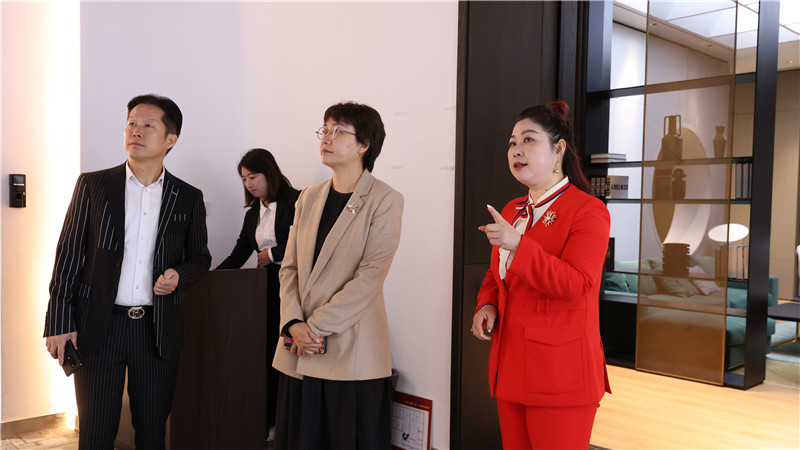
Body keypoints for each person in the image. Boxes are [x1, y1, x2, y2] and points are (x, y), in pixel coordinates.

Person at [44, 94, 211, 450]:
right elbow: (68, 256)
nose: (136, 131)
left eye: (148, 125)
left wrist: (179, 275)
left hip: (156, 330)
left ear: (170, 139)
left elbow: (200, 258)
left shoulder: (187, 197)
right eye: (132, 123)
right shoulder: (93, 185)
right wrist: (59, 322)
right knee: (95, 433)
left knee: (152, 433)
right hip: (98, 327)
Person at [472, 101, 611, 449]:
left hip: (559, 373)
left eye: (529, 140)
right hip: (511, 366)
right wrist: (486, 304)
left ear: (558, 149)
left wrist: (518, 245)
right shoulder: (513, 209)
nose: (517, 150)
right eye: (512, 143)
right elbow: (497, 275)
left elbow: (577, 285)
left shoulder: (588, 210)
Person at [272, 101, 403, 450]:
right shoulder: (308, 197)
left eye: (339, 131)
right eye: (325, 129)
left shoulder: (384, 199)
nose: (327, 137)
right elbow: (289, 268)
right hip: (299, 348)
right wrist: (293, 323)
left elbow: (371, 276)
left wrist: (313, 328)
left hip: (349, 350)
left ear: (364, 145)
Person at [215, 147, 299, 433]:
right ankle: (266, 419)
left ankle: (284, 420)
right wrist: (209, 277)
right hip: (263, 288)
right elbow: (239, 253)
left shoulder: (297, 201)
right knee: (265, 352)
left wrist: (272, 254)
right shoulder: (253, 213)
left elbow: (308, 241)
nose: (249, 184)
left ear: (269, 173)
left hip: (292, 284)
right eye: (244, 179)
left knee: (286, 351)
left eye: (253, 177)